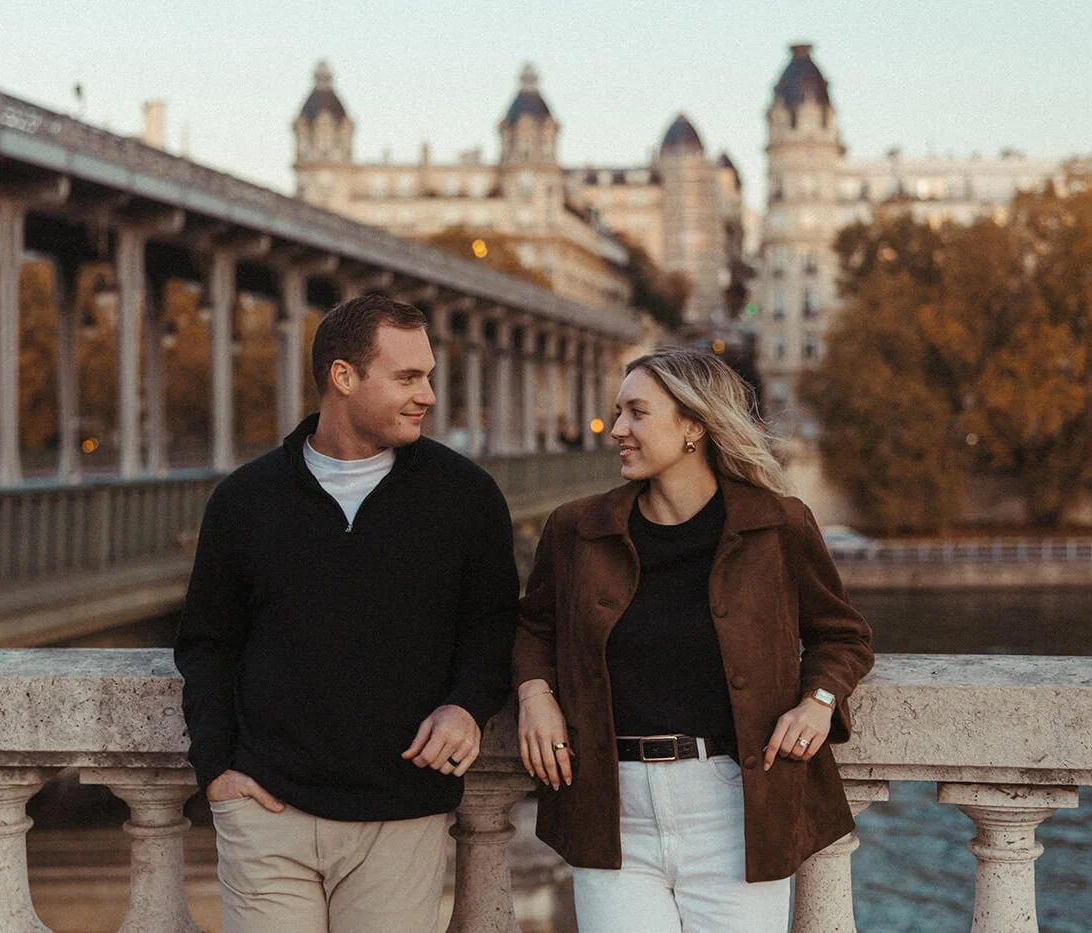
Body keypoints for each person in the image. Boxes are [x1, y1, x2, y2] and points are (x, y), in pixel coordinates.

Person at [176, 294, 520, 933]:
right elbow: (208, 644)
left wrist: (469, 705)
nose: (428, 396)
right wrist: (216, 771)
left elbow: (495, 623)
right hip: (267, 815)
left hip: (401, 815)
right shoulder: (244, 501)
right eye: (408, 377)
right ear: (343, 377)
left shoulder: (465, 497)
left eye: (429, 377)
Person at [514, 347, 874, 933]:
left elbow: (843, 636)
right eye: (617, 412)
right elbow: (535, 625)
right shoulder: (577, 529)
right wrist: (535, 695)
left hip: (735, 810)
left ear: (694, 427)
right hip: (611, 809)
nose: (617, 429)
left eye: (636, 412)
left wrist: (820, 701)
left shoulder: (778, 525)